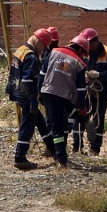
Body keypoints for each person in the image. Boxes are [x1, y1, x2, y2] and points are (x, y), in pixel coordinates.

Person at [7, 26, 56, 170]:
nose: (43, 50)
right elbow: (28, 81)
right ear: (38, 42)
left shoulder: (21, 50)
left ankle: (53, 149)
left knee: (40, 121)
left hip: (17, 91)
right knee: (27, 125)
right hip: (26, 95)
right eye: (44, 46)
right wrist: (34, 101)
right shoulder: (31, 57)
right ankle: (20, 157)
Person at [37, 34, 90, 167]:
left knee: (55, 123)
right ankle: (61, 158)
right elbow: (81, 90)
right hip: (64, 97)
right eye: (83, 53)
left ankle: (58, 153)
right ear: (79, 49)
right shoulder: (79, 63)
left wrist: (39, 92)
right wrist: (82, 107)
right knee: (59, 126)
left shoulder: (53, 53)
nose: (83, 56)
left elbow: (42, 75)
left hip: (48, 93)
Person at [70, 27, 107, 156]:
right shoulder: (84, 51)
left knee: (98, 118)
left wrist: (99, 75)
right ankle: (77, 146)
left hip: (101, 91)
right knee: (79, 116)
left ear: (95, 41)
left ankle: (95, 148)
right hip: (84, 89)